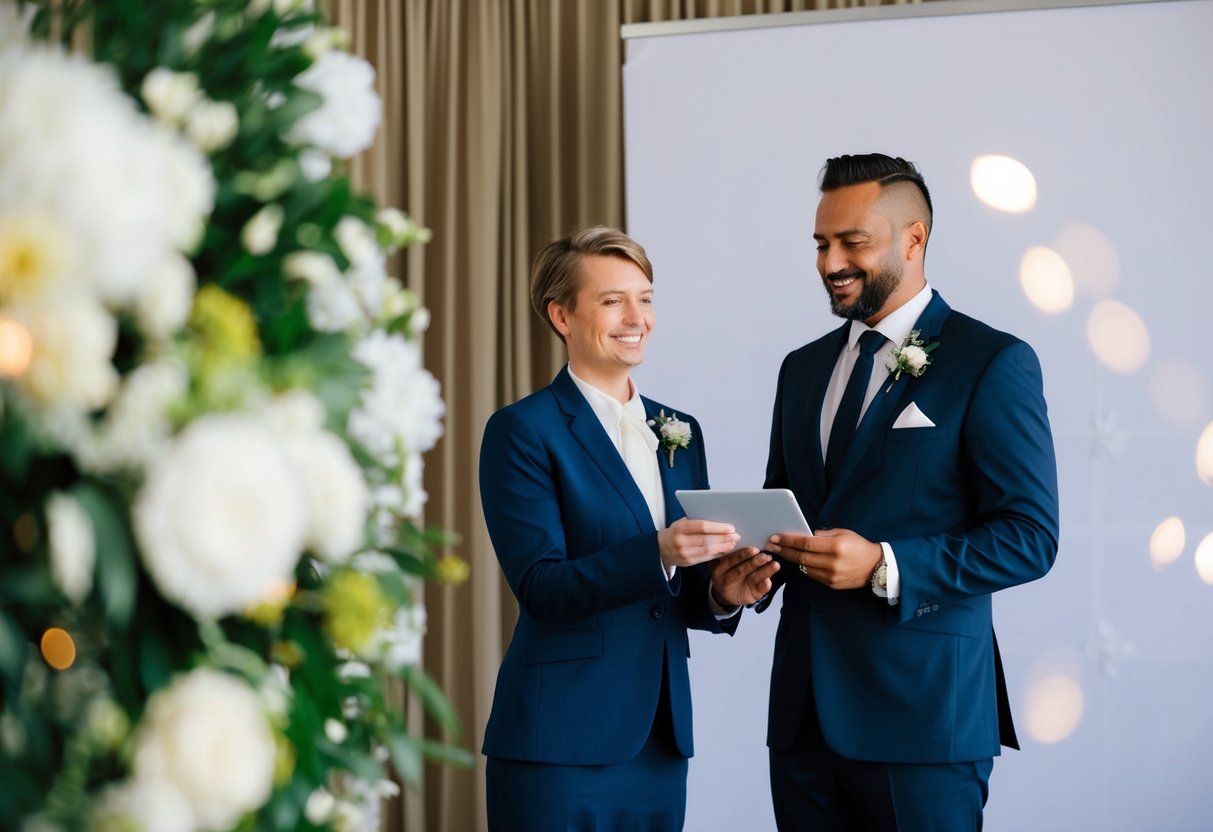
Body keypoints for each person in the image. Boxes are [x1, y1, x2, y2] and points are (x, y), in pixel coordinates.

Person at [758, 154, 1060, 830]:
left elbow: (1029, 538)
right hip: (802, 722)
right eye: (819, 243)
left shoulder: (990, 361)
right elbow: (790, 508)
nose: (828, 261)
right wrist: (746, 567)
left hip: (925, 721)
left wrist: (884, 565)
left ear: (913, 239)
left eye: (851, 242)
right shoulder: (801, 369)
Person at [478, 226, 777, 831]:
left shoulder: (680, 428)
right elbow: (541, 586)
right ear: (561, 315)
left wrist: (721, 594)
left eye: (645, 297)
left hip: (660, 743)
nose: (636, 316)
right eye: (613, 300)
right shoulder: (521, 431)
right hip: (556, 743)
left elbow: (673, 594)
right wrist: (659, 550)